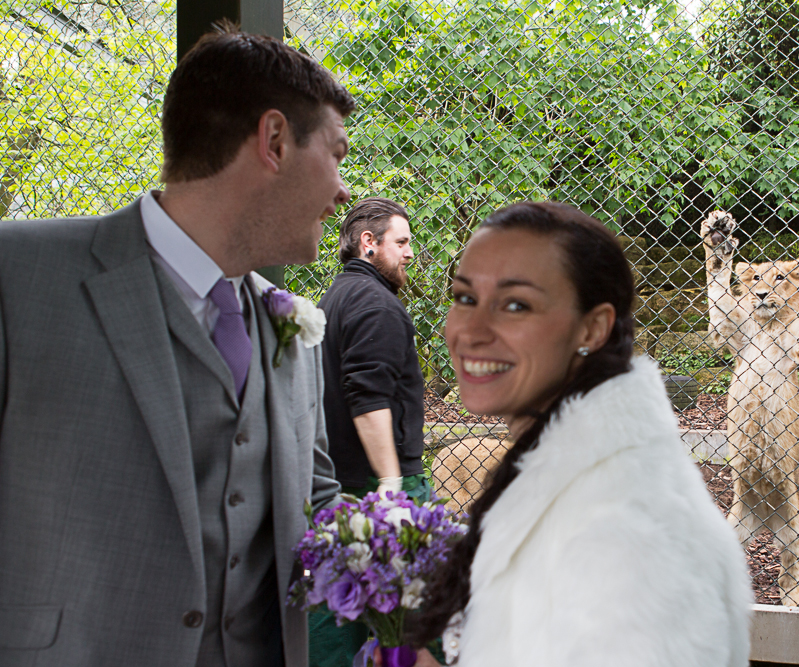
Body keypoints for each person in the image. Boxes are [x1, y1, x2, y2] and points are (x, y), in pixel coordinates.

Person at [0, 27, 353, 667]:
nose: (344, 191)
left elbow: (316, 500)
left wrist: (429, 563)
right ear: (274, 141)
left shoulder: (296, 330)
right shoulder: (15, 274)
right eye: (337, 155)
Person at [399, 201, 751, 666]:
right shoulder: (559, 479)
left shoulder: (629, 531)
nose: (472, 330)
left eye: (516, 305)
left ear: (593, 327)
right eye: (465, 298)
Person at [310, 197, 429, 667]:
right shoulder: (376, 305)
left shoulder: (335, 298)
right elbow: (368, 396)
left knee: (334, 609)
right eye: (401, 242)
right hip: (382, 490)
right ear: (368, 243)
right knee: (416, 615)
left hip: (339, 487)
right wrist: (391, 483)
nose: (409, 253)